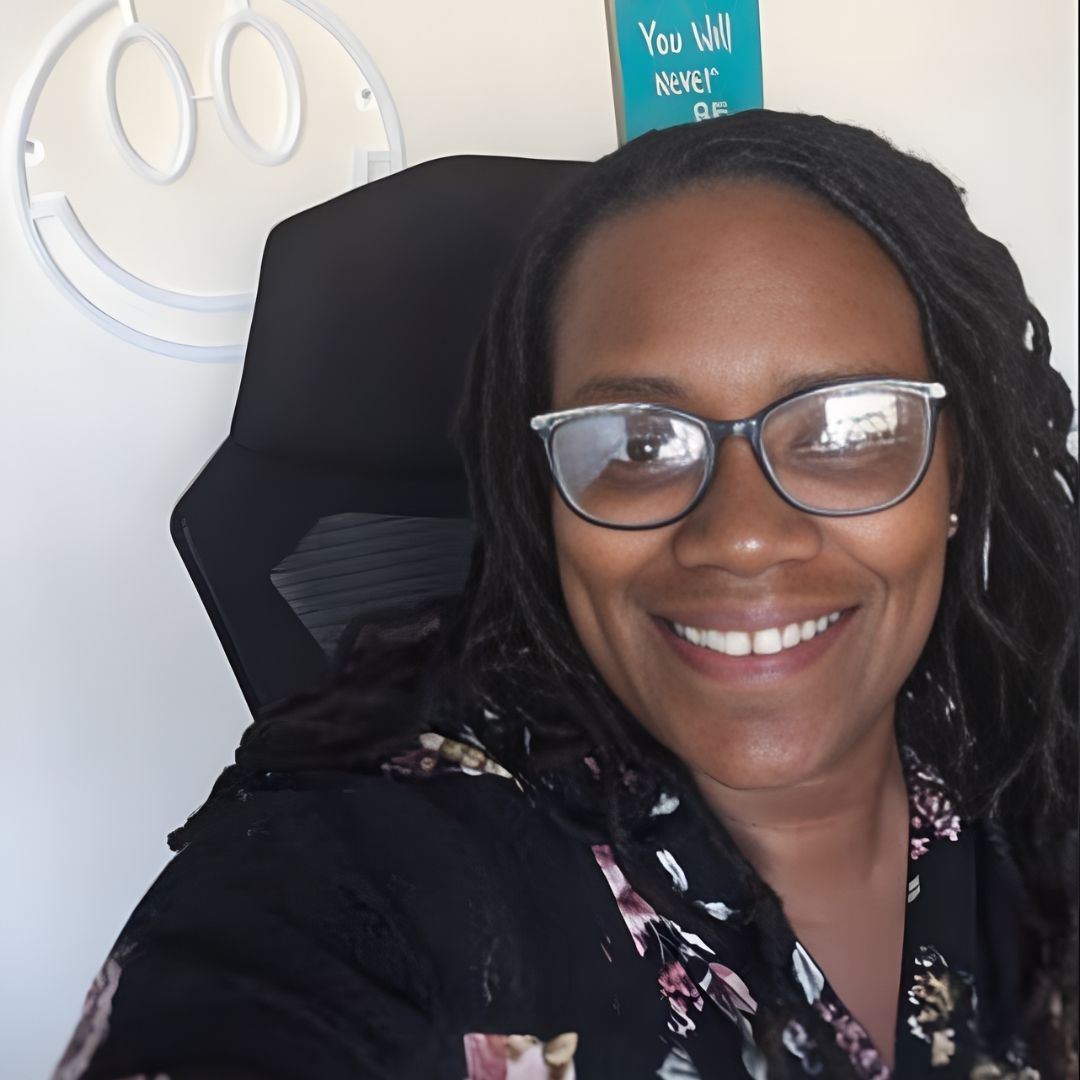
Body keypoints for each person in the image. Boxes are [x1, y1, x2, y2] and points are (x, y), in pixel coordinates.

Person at [54, 110, 1077, 1080]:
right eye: (635, 443)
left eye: (846, 429)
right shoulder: (340, 887)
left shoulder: (1025, 740)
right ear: (539, 495)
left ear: (959, 470)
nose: (742, 535)